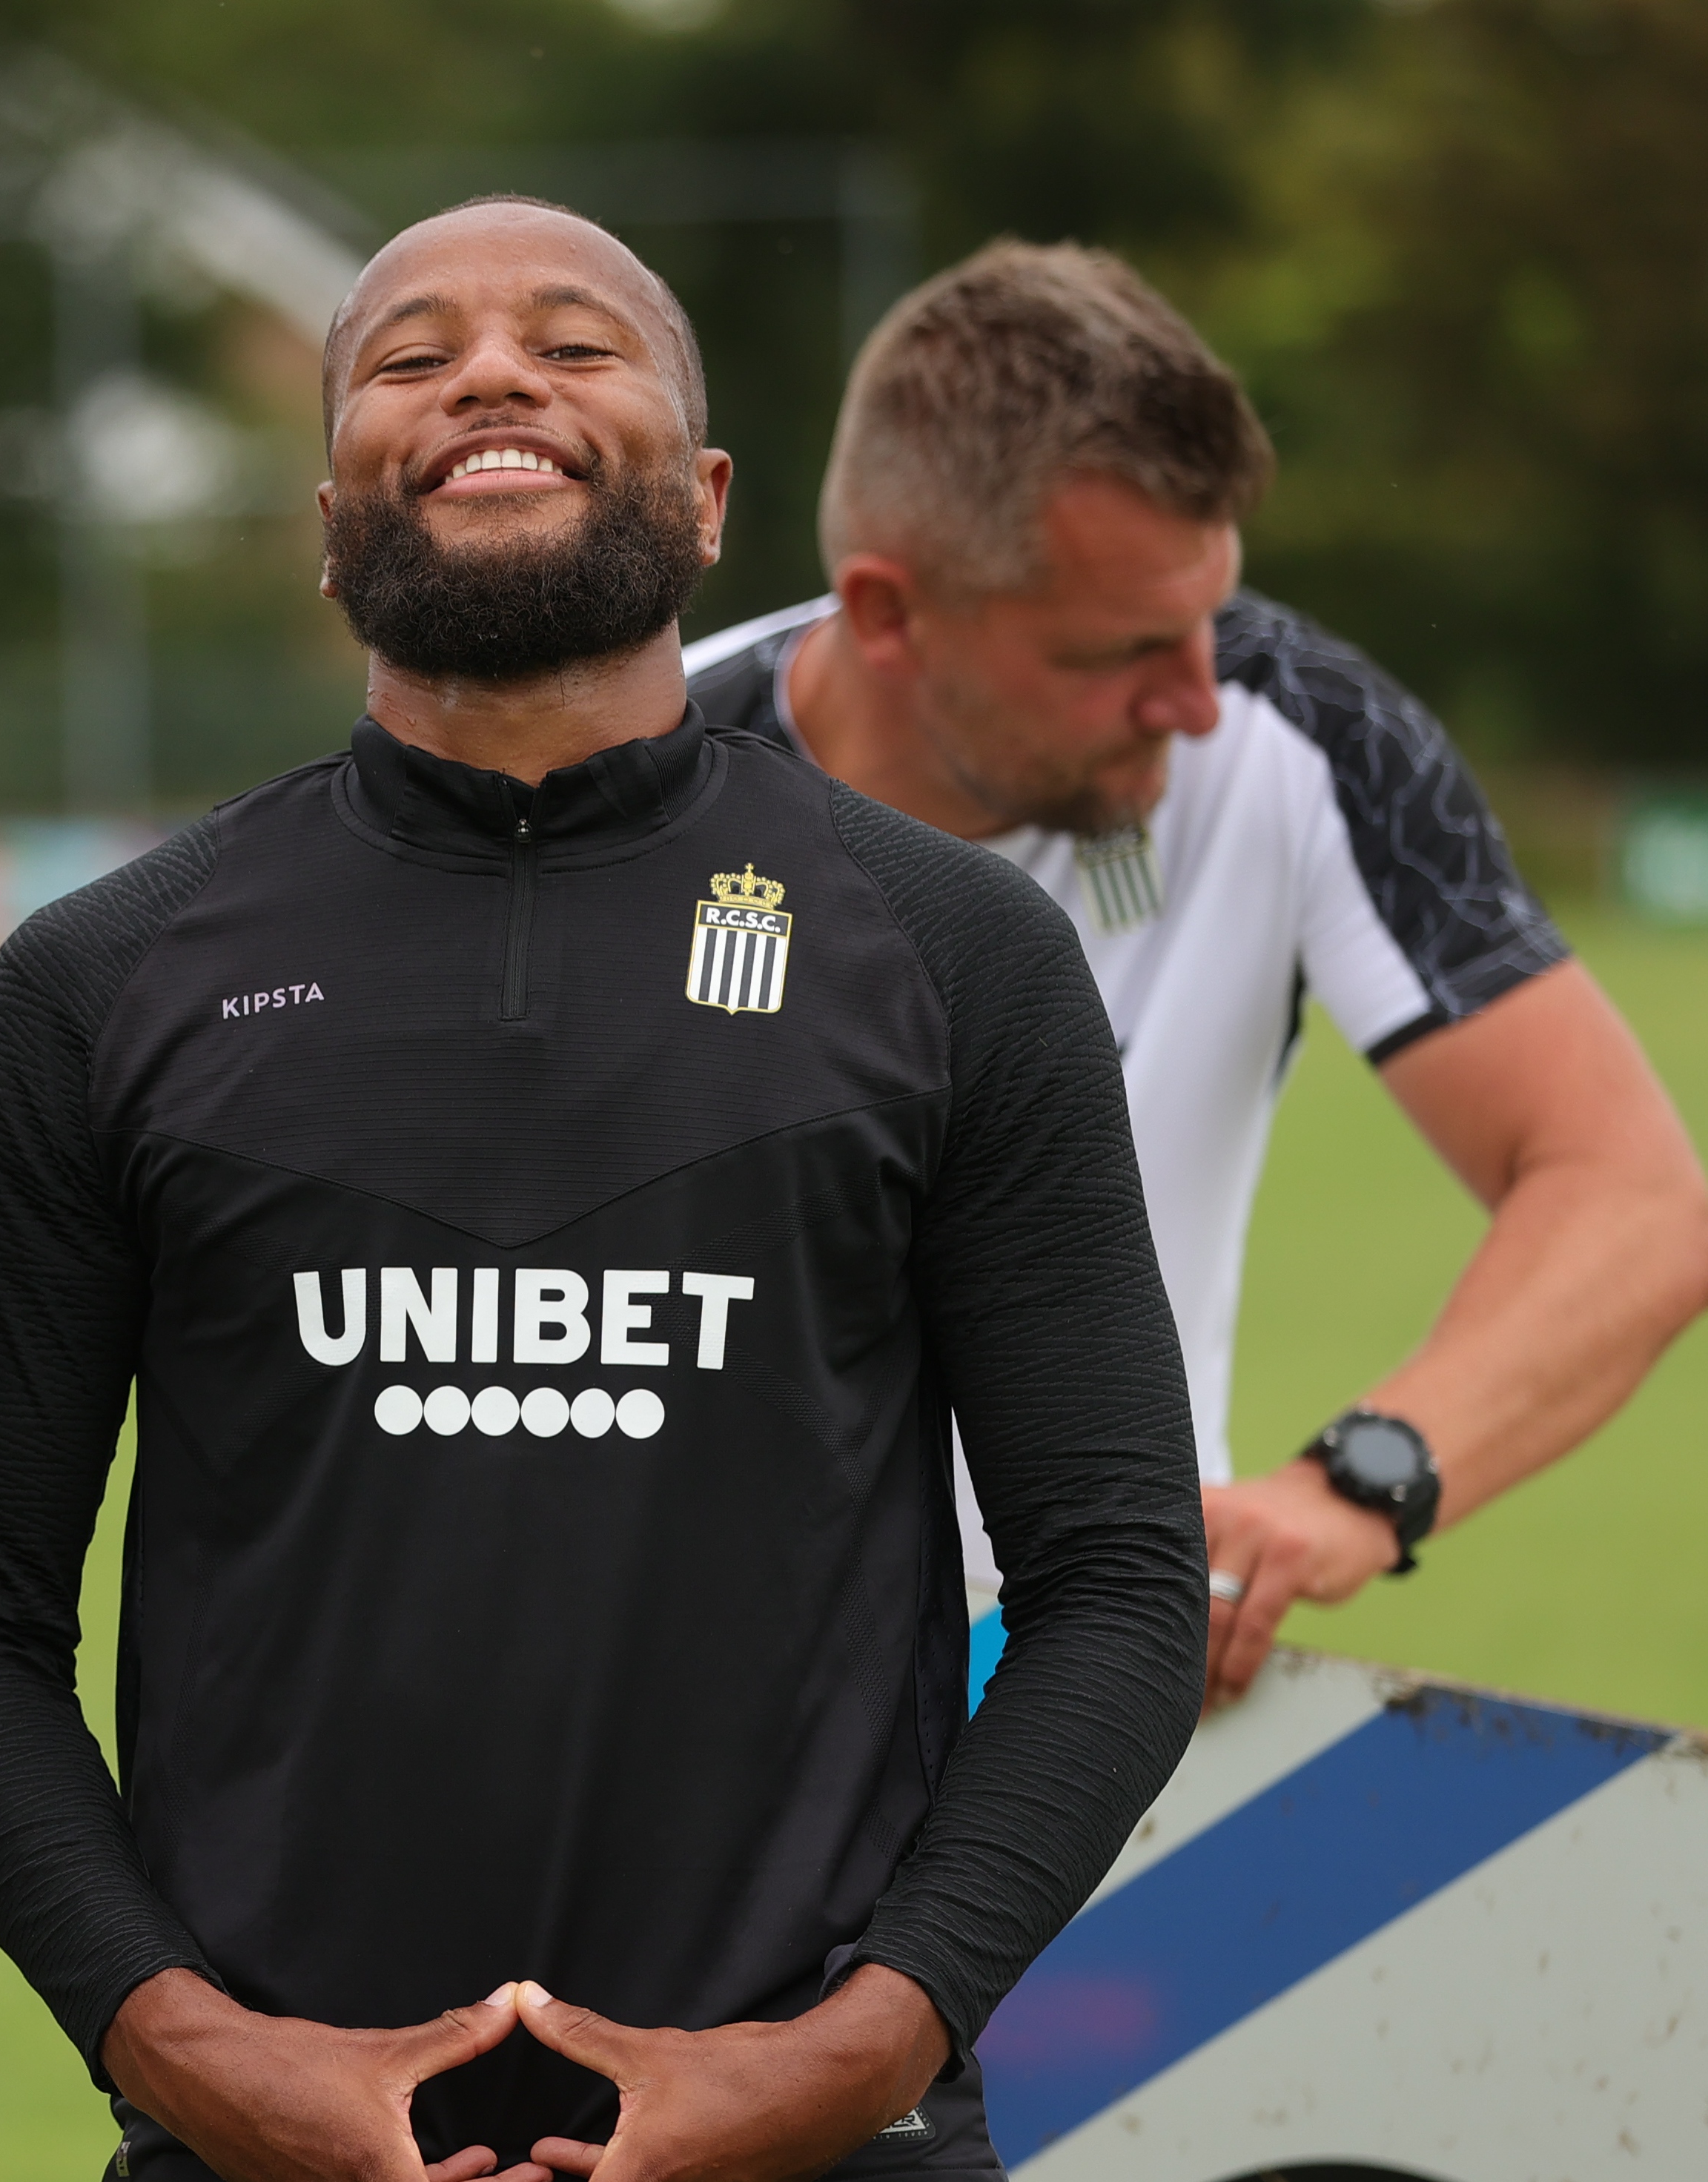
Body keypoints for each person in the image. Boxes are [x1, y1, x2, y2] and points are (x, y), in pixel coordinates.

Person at [0, 194, 1205, 2182]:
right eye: (405, 358)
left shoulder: (950, 956)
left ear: (697, 501)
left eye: (571, 342)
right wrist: (188, 2052)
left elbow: (1115, 1579)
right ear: (325, 524)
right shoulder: (105, 983)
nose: (486, 376)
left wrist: (853, 2053)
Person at [685, 242, 1708, 1706]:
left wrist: (1353, 1486)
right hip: (683, 1734)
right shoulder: (635, 769)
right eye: (1122, 649)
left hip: (1086, 1705)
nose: (1195, 693)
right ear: (890, 613)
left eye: (1208, 619)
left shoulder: (1300, 733)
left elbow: (1631, 1199)